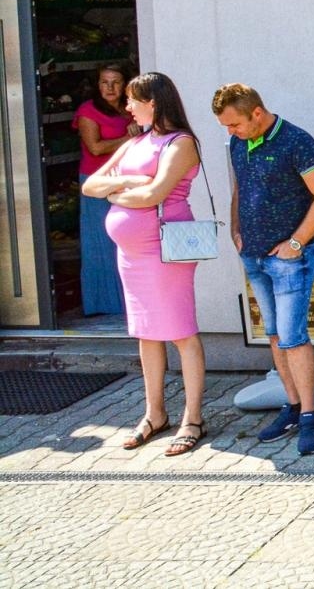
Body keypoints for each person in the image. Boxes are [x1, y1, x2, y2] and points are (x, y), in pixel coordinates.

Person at [82, 72, 208, 456]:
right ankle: (154, 414)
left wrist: (120, 188)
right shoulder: (134, 143)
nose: (126, 106)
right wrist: (130, 184)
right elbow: (90, 185)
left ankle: (193, 417)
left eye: (133, 100)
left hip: (164, 250)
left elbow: (156, 192)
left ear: (153, 101)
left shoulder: (181, 142)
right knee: (146, 332)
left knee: (181, 332)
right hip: (132, 255)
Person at [213, 83, 314, 456]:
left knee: (292, 336)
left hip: (289, 259)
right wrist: (236, 229)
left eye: (234, 124)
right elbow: (240, 188)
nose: (230, 132)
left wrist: (297, 243)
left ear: (256, 113)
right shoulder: (239, 143)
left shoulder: (297, 142)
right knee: (272, 333)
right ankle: (293, 403)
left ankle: (311, 415)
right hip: (252, 254)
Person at [74, 63, 135, 317]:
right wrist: (128, 138)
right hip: (96, 181)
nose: (109, 88)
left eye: (116, 82)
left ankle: (128, 302)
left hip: (126, 179)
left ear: (125, 84)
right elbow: (96, 148)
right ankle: (104, 305)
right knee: (101, 241)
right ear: (97, 84)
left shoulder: (130, 108)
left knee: (126, 239)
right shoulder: (88, 110)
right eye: (104, 82)